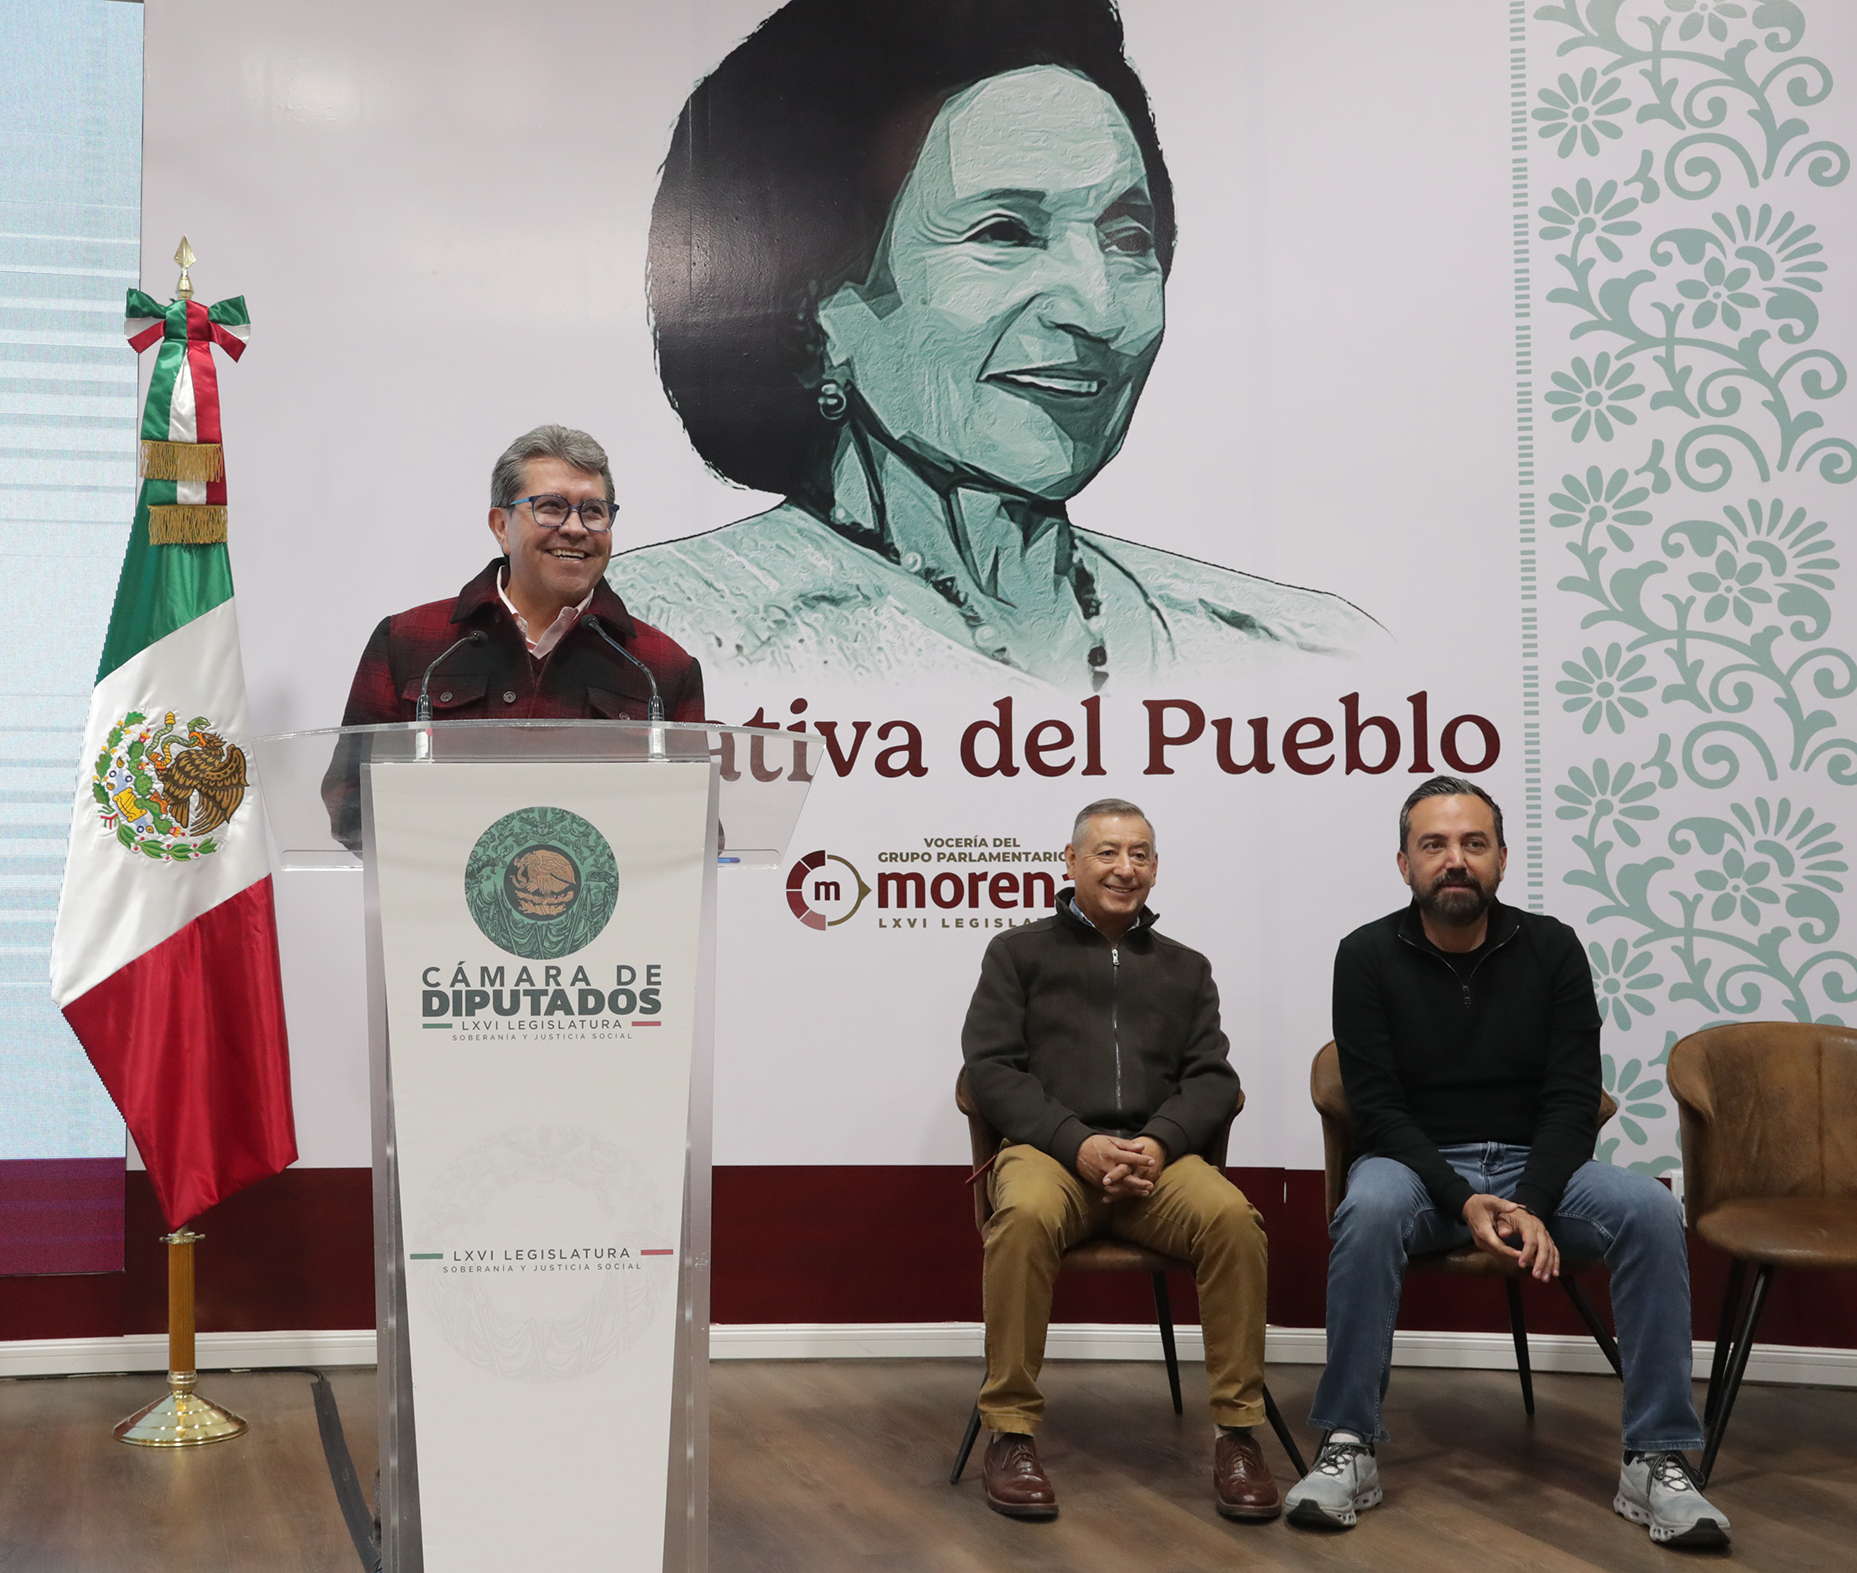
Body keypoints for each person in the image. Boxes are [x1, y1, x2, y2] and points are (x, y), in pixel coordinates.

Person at [614, 0, 1381, 690]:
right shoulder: (655, 638)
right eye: (1005, 232)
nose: (1098, 308)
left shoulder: (1301, 649)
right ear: (818, 306)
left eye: (1127, 236)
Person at [1288, 777, 1729, 1547]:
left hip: (1538, 1168)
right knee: (1370, 1206)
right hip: (1417, 1171)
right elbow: (1379, 1110)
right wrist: (1464, 1199)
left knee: (1651, 1207)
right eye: (1434, 844)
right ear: (1404, 863)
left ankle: (1655, 1456)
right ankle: (1348, 1443)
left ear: (1500, 859)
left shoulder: (1553, 947)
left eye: (1473, 843)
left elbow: (1572, 1097)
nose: (1454, 859)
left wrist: (1528, 1200)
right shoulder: (1364, 955)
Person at [961, 798, 1280, 1523]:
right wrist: (1076, 1141)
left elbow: (1213, 1078)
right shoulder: (1016, 953)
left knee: (1234, 1220)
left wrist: (1160, 1141)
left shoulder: (1186, 968)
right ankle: (1009, 1433)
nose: (1124, 867)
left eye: (1139, 854)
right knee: (1024, 1216)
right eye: (1106, 852)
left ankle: (1238, 1434)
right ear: (1070, 862)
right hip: (1052, 1156)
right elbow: (991, 1068)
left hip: (1154, 1163)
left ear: (1156, 869)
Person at [323, 424, 706, 845]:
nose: (575, 528)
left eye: (594, 511)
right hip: (444, 886)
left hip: (602, 888)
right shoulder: (409, 642)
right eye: (551, 507)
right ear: (501, 527)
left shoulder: (661, 667)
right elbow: (349, 803)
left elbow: (698, 829)